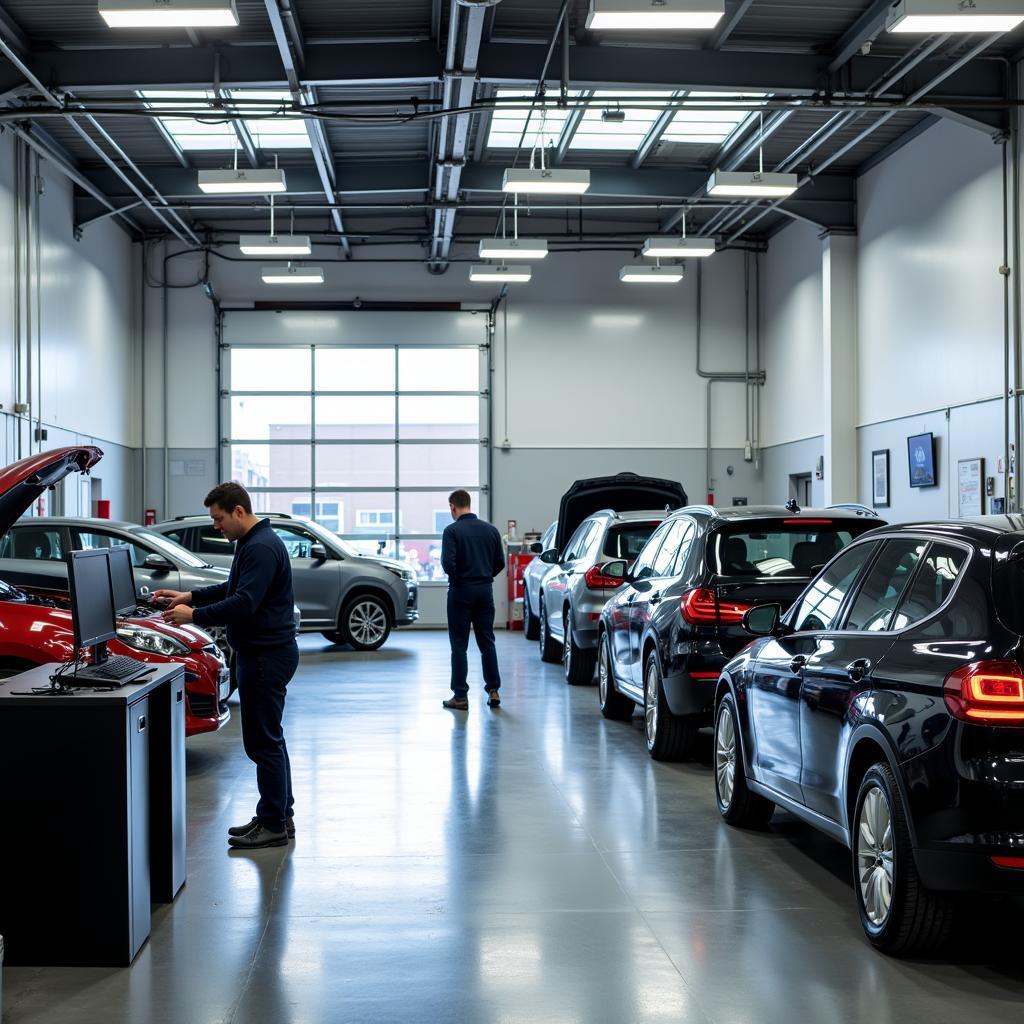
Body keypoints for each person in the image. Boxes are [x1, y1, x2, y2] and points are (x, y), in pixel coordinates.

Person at [155, 482, 299, 850]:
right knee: (270, 738)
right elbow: (234, 586)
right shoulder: (253, 543)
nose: (217, 526)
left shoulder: (261, 547)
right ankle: (279, 813)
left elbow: (245, 602)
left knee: (262, 742)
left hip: (266, 657)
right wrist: (191, 595)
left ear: (238, 511)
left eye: (219, 518)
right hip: (264, 653)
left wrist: (195, 615)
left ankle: (273, 824)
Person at [441, 489, 505, 711]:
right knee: (487, 641)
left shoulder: (451, 531)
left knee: (459, 644)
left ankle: (460, 696)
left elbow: (448, 565)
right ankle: (494, 690)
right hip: (485, 591)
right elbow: (500, 563)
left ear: (453, 507)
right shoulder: (491, 531)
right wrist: (484, 575)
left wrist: (462, 578)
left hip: (460, 591)